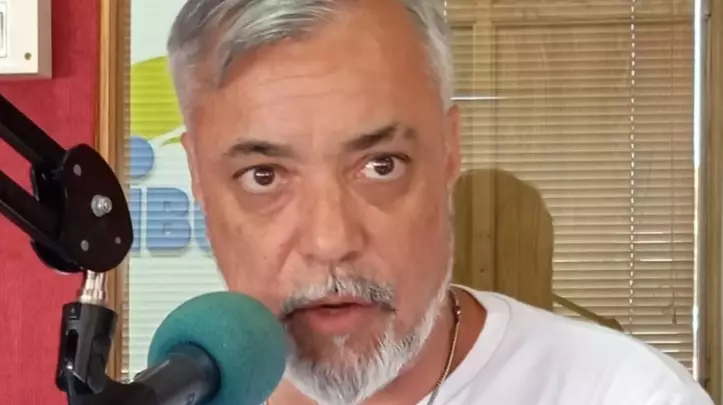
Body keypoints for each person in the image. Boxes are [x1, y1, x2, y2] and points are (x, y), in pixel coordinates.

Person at [165, 0, 714, 404]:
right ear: (198, 178)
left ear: (449, 152)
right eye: (263, 176)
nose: (331, 241)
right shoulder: (172, 394)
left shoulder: (624, 393)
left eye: (381, 165)